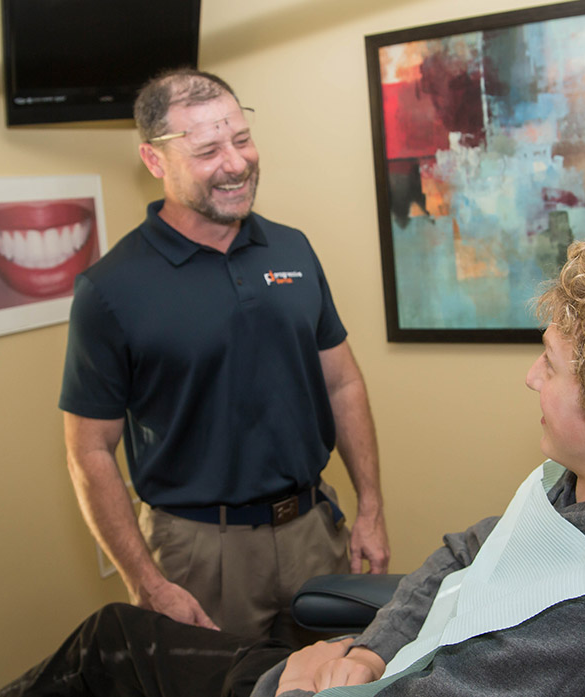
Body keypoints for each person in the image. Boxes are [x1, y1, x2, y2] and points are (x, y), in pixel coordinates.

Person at [9, 231, 585, 696]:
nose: (531, 377)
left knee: (110, 656)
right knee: (114, 632)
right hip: (388, 666)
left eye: (550, 365)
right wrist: (369, 647)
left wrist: (321, 678)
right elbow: (468, 549)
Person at [58, 68, 389, 644]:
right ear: (155, 161)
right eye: (208, 149)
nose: (235, 163)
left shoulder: (292, 248)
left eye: (240, 139)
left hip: (312, 529)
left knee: (339, 681)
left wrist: (371, 506)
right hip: (198, 556)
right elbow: (89, 451)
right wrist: (147, 582)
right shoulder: (109, 290)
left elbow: (342, 384)